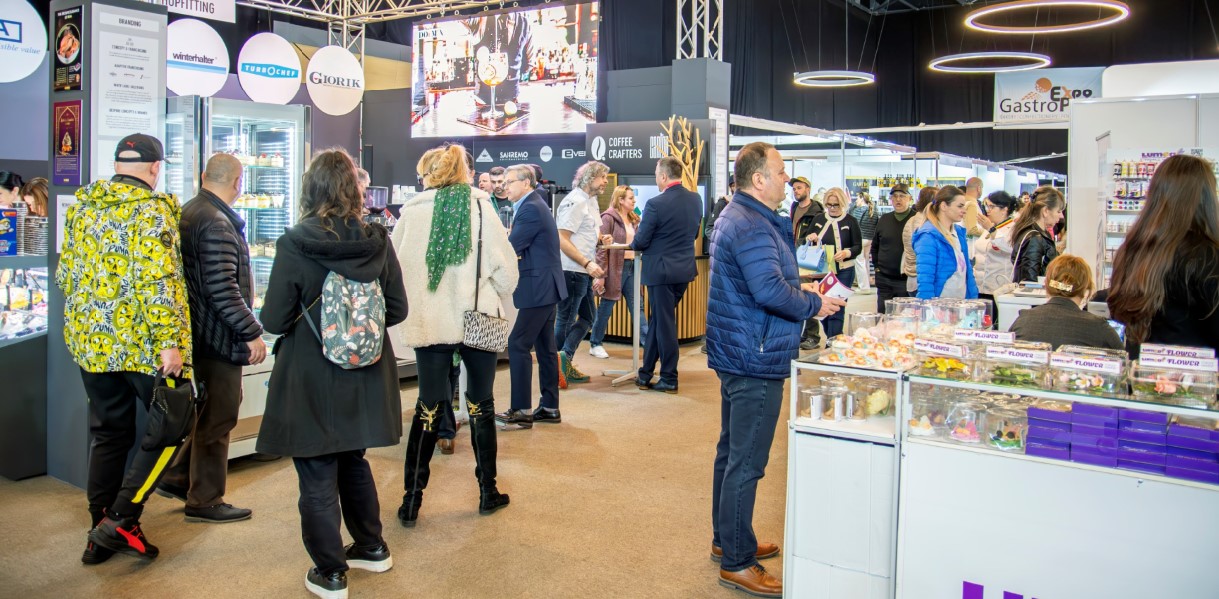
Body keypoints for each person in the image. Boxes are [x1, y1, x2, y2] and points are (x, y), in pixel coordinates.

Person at [256, 149, 408, 599]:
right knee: (353, 459)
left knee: (317, 469)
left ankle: (331, 572)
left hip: (311, 372)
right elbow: (397, 308)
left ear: (310, 188)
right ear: (354, 191)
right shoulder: (377, 239)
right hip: (367, 371)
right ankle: (372, 547)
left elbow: (274, 318)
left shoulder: (294, 241)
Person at [706, 142, 844, 598]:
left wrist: (801, 289)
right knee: (746, 460)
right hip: (756, 354)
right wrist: (813, 304)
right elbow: (767, 290)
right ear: (759, 179)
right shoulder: (751, 224)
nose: (788, 179)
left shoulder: (744, 216)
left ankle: (730, 540)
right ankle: (737, 561)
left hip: (743, 348)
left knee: (732, 453)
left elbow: (762, 281)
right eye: (782, 172)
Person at [56, 133, 192, 563]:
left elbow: (65, 276)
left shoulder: (82, 208)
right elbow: (158, 281)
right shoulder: (151, 210)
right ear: (155, 168)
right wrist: (169, 343)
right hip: (143, 346)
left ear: (117, 165)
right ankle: (121, 518)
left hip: (91, 345)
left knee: (109, 434)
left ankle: (98, 533)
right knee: (174, 425)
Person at [391, 144, 518, 527]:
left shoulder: (411, 214)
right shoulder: (481, 208)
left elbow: (394, 270)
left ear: (428, 175)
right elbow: (506, 276)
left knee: (428, 406)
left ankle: (411, 501)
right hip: (477, 318)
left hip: (430, 321)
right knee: (480, 404)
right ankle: (488, 491)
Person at [157, 153, 263, 524]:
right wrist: (251, 331)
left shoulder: (190, 211)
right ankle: (206, 499)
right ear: (238, 183)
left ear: (204, 176)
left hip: (197, 333)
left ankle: (177, 477)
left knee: (208, 413)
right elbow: (223, 289)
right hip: (219, 338)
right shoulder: (218, 223)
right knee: (219, 417)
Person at [1109, 154, 1219, 356]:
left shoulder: (1133, 249)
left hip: (1143, 368)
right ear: (1206, 199)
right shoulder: (1206, 255)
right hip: (1193, 372)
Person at [496, 164, 567, 430]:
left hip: (539, 288)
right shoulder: (534, 205)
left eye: (509, 182)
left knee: (517, 344)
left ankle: (521, 411)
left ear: (526, 183)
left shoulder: (530, 208)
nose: (504, 186)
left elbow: (512, 247)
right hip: (546, 286)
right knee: (546, 348)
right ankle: (549, 407)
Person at [632, 156, 702, 393]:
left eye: (656, 175)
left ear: (663, 176)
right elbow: (695, 234)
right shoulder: (695, 199)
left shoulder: (655, 204)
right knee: (659, 321)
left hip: (660, 272)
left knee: (665, 325)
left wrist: (635, 243)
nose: (656, 179)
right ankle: (645, 373)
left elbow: (640, 241)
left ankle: (670, 377)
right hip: (684, 271)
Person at [554, 161, 612, 387]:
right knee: (566, 320)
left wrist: (600, 239)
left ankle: (564, 360)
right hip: (572, 270)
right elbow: (562, 239)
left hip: (583, 271)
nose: (605, 181)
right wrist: (587, 263)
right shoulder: (575, 201)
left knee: (589, 317)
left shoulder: (591, 201)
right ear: (589, 177)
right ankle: (554, 370)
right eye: (602, 177)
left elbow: (585, 233)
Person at [1011, 255, 1123, 350]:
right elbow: (1123, 361)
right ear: (1086, 289)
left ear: (1046, 285)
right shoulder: (1099, 328)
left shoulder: (1023, 320)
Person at [589, 185, 648, 358]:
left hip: (632, 266)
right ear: (620, 200)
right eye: (630, 198)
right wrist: (601, 274)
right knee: (607, 306)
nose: (634, 201)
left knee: (637, 306)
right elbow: (601, 248)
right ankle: (595, 343)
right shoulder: (608, 218)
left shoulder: (634, 218)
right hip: (615, 267)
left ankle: (648, 344)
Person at [803, 187, 862, 338]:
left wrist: (847, 253)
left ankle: (834, 339)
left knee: (836, 307)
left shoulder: (851, 221)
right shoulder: (818, 219)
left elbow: (858, 246)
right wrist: (811, 239)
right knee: (822, 307)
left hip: (844, 270)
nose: (832, 208)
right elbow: (806, 240)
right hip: (821, 270)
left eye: (836, 205)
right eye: (829, 205)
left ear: (843, 204)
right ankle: (832, 338)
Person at [913, 185, 978, 300]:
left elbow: (967, 272)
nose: (964, 211)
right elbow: (925, 280)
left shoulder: (959, 233)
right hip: (940, 306)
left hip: (961, 303)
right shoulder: (928, 236)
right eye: (960, 206)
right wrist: (927, 307)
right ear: (944, 206)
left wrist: (973, 300)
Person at [791, 176, 825, 350]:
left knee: (808, 294)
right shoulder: (794, 207)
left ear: (808, 189)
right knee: (796, 294)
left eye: (799, 188)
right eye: (794, 188)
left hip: (807, 259)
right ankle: (802, 333)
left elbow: (817, 237)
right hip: (793, 256)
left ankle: (813, 335)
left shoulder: (816, 212)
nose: (796, 191)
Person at [973, 191, 1019, 317]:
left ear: (1004, 209)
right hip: (980, 287)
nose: (988, 210)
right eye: (987, 206)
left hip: (999, 288)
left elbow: (1010, 247)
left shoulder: (1013, 229)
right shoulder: (990, 228)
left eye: (992, 207)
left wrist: (991, 230)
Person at [1009, 186, 1065, 284]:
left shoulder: (1039, 234)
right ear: (1045, 211)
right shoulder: (1034, 239)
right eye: (1058, 211)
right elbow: (1032, 283)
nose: (1061, 216)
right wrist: (1066, 288)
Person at [870, 183, 913, 308]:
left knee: (904, 315)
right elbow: (875, 245)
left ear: (910, 198)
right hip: (884, 278)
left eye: (902, 196)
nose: (898, 199)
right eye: (894, 196)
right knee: (883, 313)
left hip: (906, 279)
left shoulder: (915, 219)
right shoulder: (884, 219)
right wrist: (877, 268)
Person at [901, 186, 937, 296]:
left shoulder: (912, 220)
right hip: (923, 281)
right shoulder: (926, 224)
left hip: (913, 279)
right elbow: (925, 256)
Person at [850, 192, 879, 290]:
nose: (856, 201)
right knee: (865, 261)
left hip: (861, 238)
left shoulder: (859, 210)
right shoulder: (873, 210)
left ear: (862, 198)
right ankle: (867, 284)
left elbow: (854, 224)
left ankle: (864, 287)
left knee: (859, 262)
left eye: (857, 199)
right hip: (870, 239)